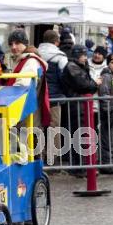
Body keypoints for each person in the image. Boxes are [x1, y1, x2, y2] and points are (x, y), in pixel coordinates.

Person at [62, 44, 101, 178]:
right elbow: (84, 85)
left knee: (83, 136)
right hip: (76, 106)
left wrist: (92, 84)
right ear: (78, 55)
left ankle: (83, 166)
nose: (85, 58)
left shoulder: (78, 66)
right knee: (79, 136)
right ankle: (79, 167)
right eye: (84, 55)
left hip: (81, 105)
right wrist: (94, 84)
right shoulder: (72, 67)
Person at [5, 29, 50, 128]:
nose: (13, 47)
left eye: (17, 43)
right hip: (29, 111)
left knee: (25, 141)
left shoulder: (30, 61)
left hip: (25, 112)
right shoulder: (24, 60)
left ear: (25, 44)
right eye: (11, 44)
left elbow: (21, 88)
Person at [38, 30, 68, 158]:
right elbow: (65, 78)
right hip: (54, 97)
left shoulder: (36, 54)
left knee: (38, 126)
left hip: (38, 96)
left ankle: (39, 156)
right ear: (56, 41)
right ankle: (52, 156)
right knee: (54, 126)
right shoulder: (60, 56)